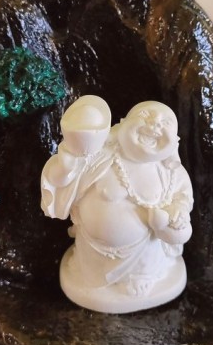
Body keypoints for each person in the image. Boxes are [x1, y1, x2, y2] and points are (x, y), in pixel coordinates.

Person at [41, 99, 193, 312]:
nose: (154, 125)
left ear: (174, 141)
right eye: (145, 116)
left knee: (149, 254)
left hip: (144, 252)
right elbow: (64, 180)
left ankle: (141, 276)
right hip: (92, 248)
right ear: (123, 124)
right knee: (89, 270)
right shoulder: (101, 157)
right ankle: (91, 272)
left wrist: (178, 211)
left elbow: (183, 197)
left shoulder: (170, 172)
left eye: (165, 123)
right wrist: (66, 165)